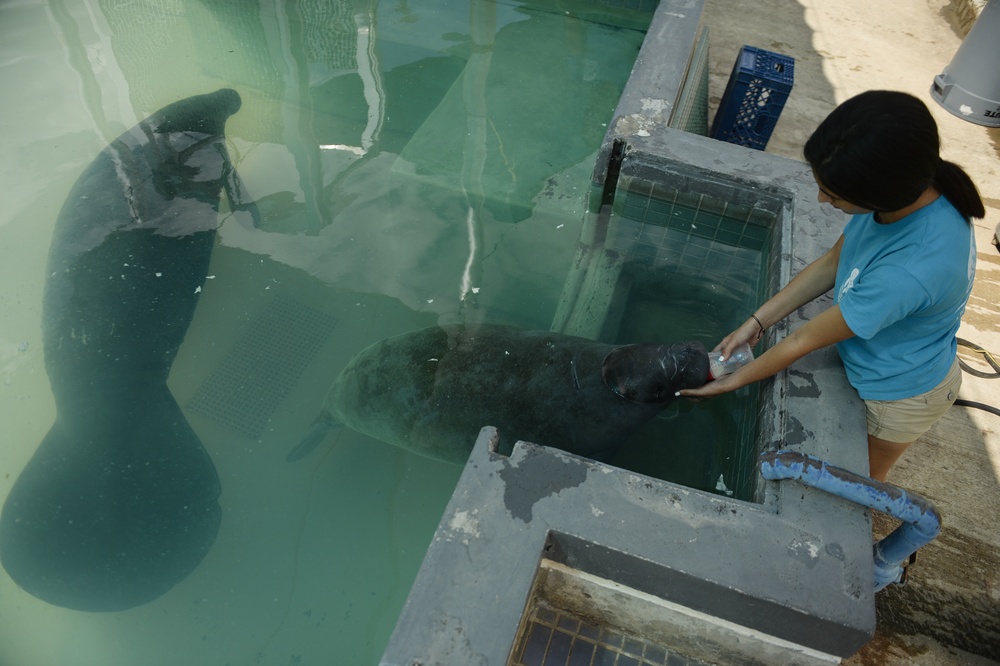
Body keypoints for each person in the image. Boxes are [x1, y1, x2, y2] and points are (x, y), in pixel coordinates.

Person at [679, 90, 985, 482]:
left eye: (835, 196)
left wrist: (731, 382)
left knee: (859, 485)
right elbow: (833, 262)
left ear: (880, 193)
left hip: (897, 393)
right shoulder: (905, 195)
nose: (821, 200)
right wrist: (756, 322)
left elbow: (802, 341)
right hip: (883, 353)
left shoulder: (909, 270)